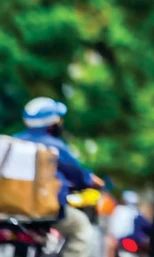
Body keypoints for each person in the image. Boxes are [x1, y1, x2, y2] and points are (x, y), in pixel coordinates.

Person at [15, 97, 105, 257]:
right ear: (52, 122)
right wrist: (90, 181)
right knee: (81, 229)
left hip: (10, 209)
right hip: (43, 210)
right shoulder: (55, 146)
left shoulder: (14, 141)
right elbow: (77, 175)